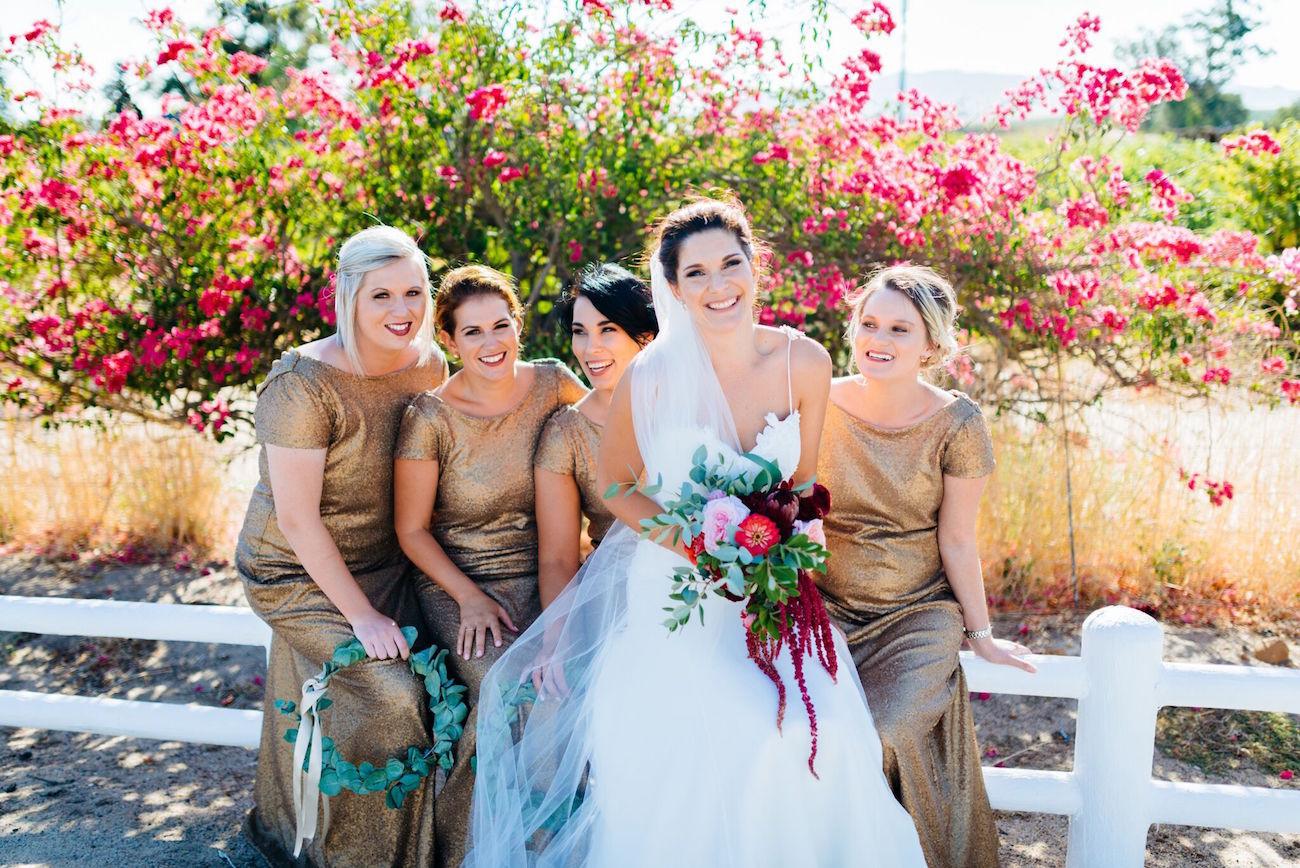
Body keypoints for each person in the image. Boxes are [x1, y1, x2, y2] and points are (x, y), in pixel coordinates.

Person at [466, 199, 927, 867]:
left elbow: (800, 485)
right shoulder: (650, 376)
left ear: (754, 266)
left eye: (731, 265)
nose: (719, 287)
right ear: (675, 289)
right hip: (677, 609)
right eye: (697, 274)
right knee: (723, 743)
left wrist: (783, 545)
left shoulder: (807, 361)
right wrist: (696, 546)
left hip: (770, 602)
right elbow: (620, 484)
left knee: (804, 743)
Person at [236, 225, 447, 867]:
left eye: (413, 292)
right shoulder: (302, 384)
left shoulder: (429, 363)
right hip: (294, 569)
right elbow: (298, 521)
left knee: (458, 679)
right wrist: (362, 616)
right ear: (348, 296)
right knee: (393, 695)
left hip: (390, 559)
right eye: (380, 295)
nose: (401, 310)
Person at [816, 264, 1036, 867]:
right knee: (811, 733)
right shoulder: (816, 400)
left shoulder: (958, 423)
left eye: (899, 329)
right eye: (868, 323)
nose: (877, 340)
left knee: (886, 729)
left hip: (918, 612)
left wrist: (983, 635)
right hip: (823, 608)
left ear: (932, 346)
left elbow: (958, 540)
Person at [392, 264, 586, 867]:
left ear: (518, 327)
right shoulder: (429, 417)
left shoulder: (555, 384)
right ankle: (473, 849)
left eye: (500, 326)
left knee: (574, 685)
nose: (490, 343)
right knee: (511, 689)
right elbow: (410, 529)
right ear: (449, 341)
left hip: (550, 573)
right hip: (461, 586)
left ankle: (564, 844)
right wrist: (469, 598)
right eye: (472, 333)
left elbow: (608, 431)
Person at [534, 263, 658, 610]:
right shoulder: (565, 434)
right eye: (580, 331)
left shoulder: (691, 404)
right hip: (616, 599)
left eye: (608, 330)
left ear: (646, 335)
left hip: (707, 578)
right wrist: (553, 642)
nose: (590, 349)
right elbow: (557, 559)